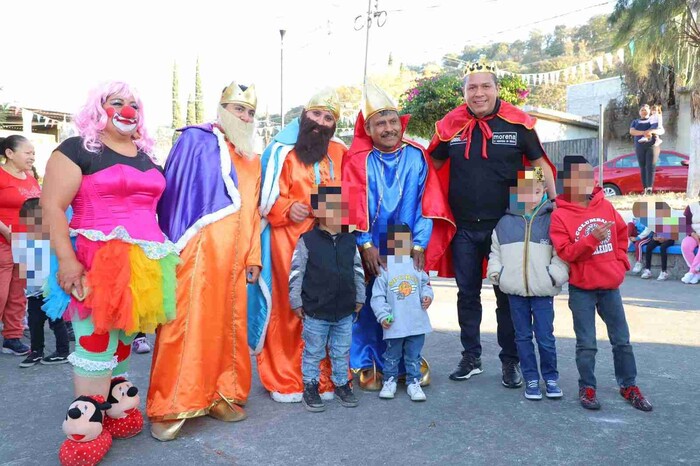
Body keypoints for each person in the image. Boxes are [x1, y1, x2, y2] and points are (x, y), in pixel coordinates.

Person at [41, 81, 179, 464]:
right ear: (98, 109)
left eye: (134, 103)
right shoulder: (77, 149)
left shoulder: (147, 155)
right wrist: (68, 262)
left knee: (122, 334)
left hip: (144, 262)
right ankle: (84, 425)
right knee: (95, 337)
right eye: (117, 102)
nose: (127, 109)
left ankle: (113, 400)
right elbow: (52, 207)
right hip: (95, 259)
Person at [426, 62, 556, 389]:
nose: (479, 93)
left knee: (506, 296)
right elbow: (429, 169)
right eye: (472, 87)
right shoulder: (450, 127)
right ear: (464, 92)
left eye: (485, 86)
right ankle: (471, 356)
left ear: (497, 89)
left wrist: (556, 210)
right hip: (464, 227)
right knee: (466, 294)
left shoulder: (518, 124)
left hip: (507, 228)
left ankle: (509, 360)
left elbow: (540, 167)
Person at [147, 81, 262, 441]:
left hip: (235, 256)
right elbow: (177, 198)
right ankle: (171, 402)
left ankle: (221, 393)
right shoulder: (195, 141)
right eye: (237, 108)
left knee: (228, 326)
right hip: (197, 252)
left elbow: (254, 211)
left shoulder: (251, 158)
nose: (243, 116)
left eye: (249, 112)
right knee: (186, 323)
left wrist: (253, 256)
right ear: (222, 109)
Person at [343, 82, 449, 390]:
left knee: (405, 297)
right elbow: (353, 205)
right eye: (380, 123)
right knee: (368, 300)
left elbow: (426, 205)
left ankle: (407, 361)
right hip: (370, 243)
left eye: (392, 121)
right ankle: (367, 360)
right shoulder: (357, 160)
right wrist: (364, 244)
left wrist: (418, 243)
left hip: (405, 242)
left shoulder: (417, 156)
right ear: (369, 128)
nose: (388, 128)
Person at [251, 88, 346, 403]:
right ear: (304, 115)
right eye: (316, 114)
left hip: (326, 241)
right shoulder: (280, 150)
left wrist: (330, 217)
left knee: (326, 305)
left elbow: (343, 196)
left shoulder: (337, 152)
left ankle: (321, 376)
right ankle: (287, 376)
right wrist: (286, 208)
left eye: (328, 117)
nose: (320, 122)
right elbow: (262, 200)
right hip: (287, 240)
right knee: (293, 306)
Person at [549, 155, 652, 412]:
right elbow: (566, 253)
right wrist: (592, 239)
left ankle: (629, 385)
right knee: (587, 343)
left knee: (622, 340)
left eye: (590, 175)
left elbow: (620, 235)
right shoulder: (560, 215)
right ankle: (587, 387)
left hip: (610, 286)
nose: (588, 180)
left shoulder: (605, 206)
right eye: (581, 176)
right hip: (581, 288)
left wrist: (621, 263)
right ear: (568, 181)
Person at [487, 167, 568, 400]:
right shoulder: (505, 223)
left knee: (545, 336)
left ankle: (550, 377)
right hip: (515, 291)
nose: (529, 196)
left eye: (535, 191)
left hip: (543, 290)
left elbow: (561, 253)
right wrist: (497, 274)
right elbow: (495, 252)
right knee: (521, 336)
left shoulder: (553, 219)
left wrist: (555, 275)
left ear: (543, 190)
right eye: (524, 192)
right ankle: (531, 377)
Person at [288, 185, 365, 412]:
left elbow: (358, 270)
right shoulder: (307, 240)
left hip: (344, 311)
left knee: (341, 350)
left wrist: (360, 296)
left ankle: (342, 384)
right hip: (315, 311)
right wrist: (296, 300)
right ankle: (310, 387)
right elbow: (296, 272)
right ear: (318, 211)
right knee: (314, 351)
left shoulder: (350, 240)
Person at [370, 224, 434, 402]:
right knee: (392, 355)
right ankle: (389, 381)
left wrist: (428, 297)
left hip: (416, 322)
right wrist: (382, 315)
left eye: (405, 241)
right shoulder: (385, 269)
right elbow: (377, 297)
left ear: (411, 243)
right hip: (394, 324)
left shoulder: (416, 265)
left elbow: (425, 286)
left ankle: (414, 382)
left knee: (414, 355)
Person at [14, 198, 70, 367]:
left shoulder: (54, 239)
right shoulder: (23, 239)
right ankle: (36, 350)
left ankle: (62, 351)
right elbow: (22, 266)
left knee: (56, 321)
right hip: (33, 292)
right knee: (34, 323)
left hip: (51, 290)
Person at [1, 135, 41, 356]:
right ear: (9, 153)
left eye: (33, 153)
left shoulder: (30, 178)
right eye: (28, 153)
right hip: (4, 242)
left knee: (19, 294)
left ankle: (12, 337)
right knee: (1, 292)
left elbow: (37, 207)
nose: (32, 157)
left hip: (31, 242)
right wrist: (6, 231)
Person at [638, 202, 675, 281]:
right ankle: (648, 270)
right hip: (659, 238)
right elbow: (654, 233)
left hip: (669, 239)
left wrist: (664, 239)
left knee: (663, 247)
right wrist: (655, 238)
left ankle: (664, 271)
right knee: (649, 247)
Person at [629, 105, 659, 195]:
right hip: (640, 146)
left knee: (650, 166)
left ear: (649, 111)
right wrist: (645, 133)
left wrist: (651, 132)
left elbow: (658, 129)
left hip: (652, 146)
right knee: (642, 167)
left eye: (645, 110)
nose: (644, 111)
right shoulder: (635, 122)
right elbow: (632, 131)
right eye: (642, 110)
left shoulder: (653, 119)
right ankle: (645, 189)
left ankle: (650, 188)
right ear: (639, 112)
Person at [628, 201, 654, 275]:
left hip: (646, 237)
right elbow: (630, 227)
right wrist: (631, 236)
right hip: (636, 235)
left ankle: (639, 262)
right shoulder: (634, 218)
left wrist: (637, 238)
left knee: (638, 244)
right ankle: (627, 241)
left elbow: (647, 231)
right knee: (630, 224)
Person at [681, 196, 700, 284]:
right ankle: (697, 273)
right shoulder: (692, 207)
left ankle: (692, 271)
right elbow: (685, 224)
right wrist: (692, 233)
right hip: (694, 234)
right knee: (685, 246)